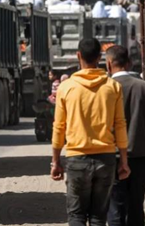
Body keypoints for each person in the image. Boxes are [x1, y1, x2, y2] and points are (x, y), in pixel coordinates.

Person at [51, 38, 131, 226]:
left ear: (78, 56)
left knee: (76, 215)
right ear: (100, 58)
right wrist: (124, 161)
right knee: (98, 217)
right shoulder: (112, 87)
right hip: (106, 160)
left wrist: (55, 161)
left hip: (77, 159)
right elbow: (120, 125)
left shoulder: (66, 87)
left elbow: (59, 127)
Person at [106, 46, 145, 226]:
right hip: (140, 157)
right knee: (135, 206)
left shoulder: (104, 89)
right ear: (129, 63)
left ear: (108, 65)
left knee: (115, 208)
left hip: (112, 157)